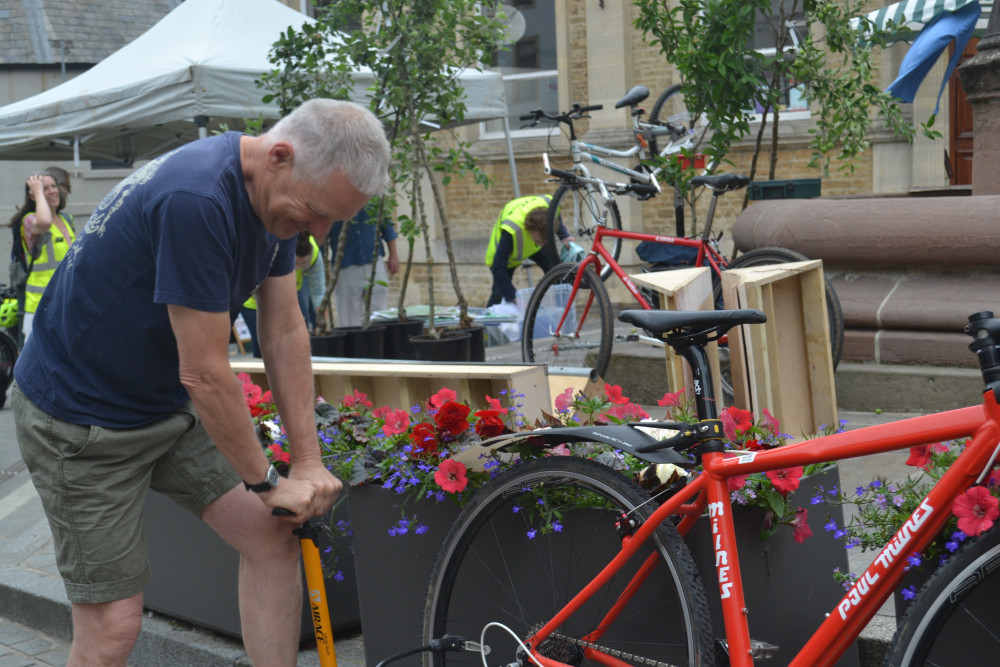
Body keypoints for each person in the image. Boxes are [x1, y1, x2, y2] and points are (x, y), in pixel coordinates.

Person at [11, 98, 390, 666]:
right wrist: (268, 482)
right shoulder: (197, 199)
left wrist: (307, 462)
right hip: (79, 423)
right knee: (112, 627)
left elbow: (284, 330)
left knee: (271, 537)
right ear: (280, 156)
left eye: (333, 219)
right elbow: (206, 372)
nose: (317, 231)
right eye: (315, 212)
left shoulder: (274, 192)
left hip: (162, 404)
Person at [7, 172, 75, 342]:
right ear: (33, 195)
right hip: (40, 307)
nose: (53, 191)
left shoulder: (66, 219)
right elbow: (45, 222)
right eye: (45, 188)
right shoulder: (30, 220)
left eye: (54, 186)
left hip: (66, 303)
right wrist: (37, 193)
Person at [485, 194, 571, 307]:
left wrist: (563, 235)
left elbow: (556, 215)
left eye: (547, 240)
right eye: (540, 240)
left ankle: (563, 312)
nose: (543, 244)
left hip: (531, 245)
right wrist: (513, 297)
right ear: (532, 230)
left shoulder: (551, 206)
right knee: (499, 293)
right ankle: (488, 321)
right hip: (508, 256)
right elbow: (498, 267)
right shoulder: (512, 230)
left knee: (557, 272)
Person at [327, 203, 399, 327]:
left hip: (374, 260)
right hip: (345, 264)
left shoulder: (373, 192)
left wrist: (393, 253)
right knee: (348, 317)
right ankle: (352, 345)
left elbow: (386, 223)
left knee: (379, 313)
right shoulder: (331, 198)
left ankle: (378, 343)